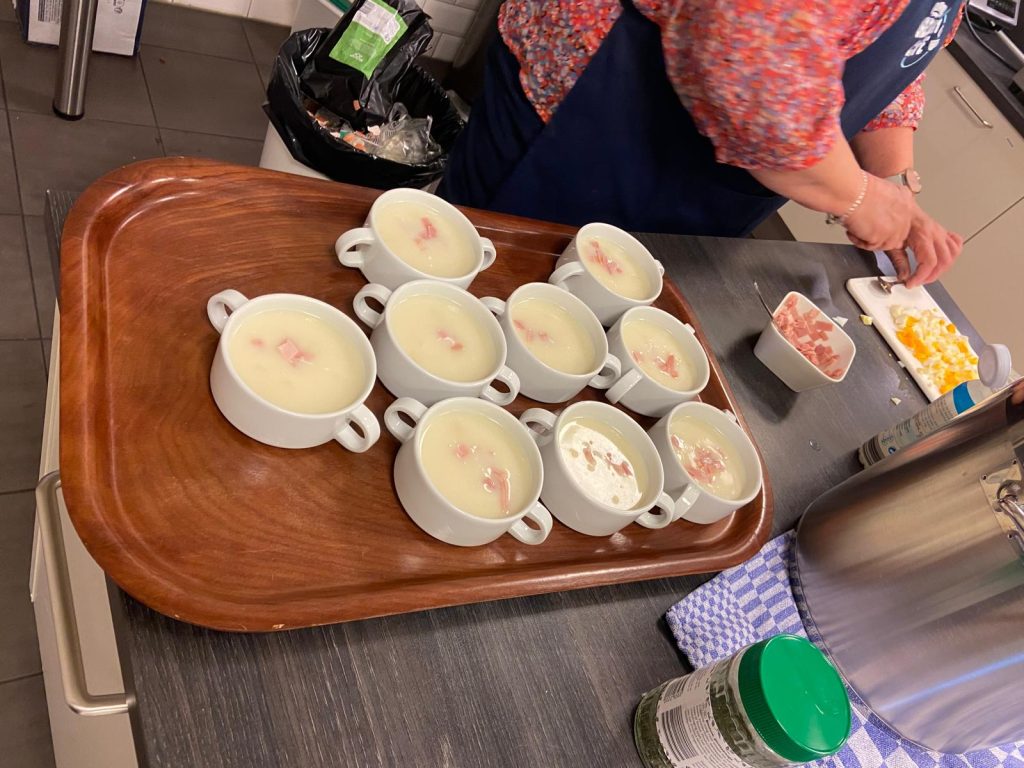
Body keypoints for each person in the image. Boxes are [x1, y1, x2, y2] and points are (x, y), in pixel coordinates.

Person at [438, 0, 966, 289]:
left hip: (703, 186)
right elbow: (757, 60)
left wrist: (896, 187)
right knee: (469, 276)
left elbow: (891, 51)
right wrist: (861, 198)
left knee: (589, 314)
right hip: (593, 110)